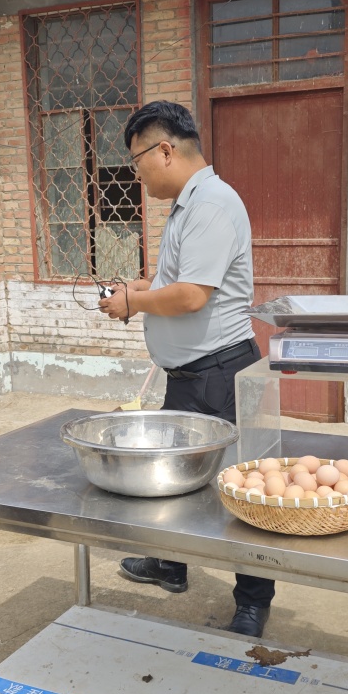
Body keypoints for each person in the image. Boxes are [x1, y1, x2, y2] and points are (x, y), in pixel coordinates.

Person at [99, 100, 275, 639]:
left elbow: (193, 295)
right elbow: (173, 279)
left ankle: (253, 601)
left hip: (220, 374)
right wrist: (137, 288)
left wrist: (134, 303)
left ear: (165, 150)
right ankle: (171, 564)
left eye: (137, 161)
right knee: (175, 477)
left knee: (243, 488)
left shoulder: (213, 204)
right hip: (189, 375)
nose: (137, 173)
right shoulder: (187, 205)